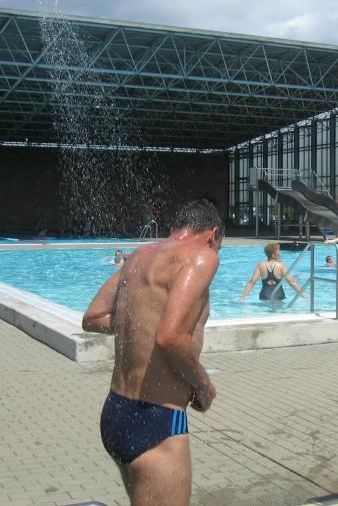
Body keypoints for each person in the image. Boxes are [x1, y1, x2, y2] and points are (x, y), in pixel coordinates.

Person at [82, 199, 223, 506]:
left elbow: (93, 317)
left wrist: (140, 324)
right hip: (157, 420)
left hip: (116, 412)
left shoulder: (139, 256)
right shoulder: (203, 256)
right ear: (213, 235)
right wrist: (203, 386)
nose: (216, 253)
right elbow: (170, 337)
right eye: (218, 246)